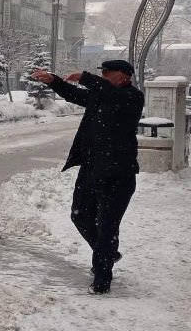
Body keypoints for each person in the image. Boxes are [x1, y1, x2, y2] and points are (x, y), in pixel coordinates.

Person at [29, 60, 144, 295]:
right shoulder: (101, 95)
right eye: (102, 73)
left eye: (108, 73)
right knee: (79, 215)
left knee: (107, 226)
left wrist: (86, 77)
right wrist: (55, 82)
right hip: (92, 169)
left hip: (117, 174)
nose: (104, 77)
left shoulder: (132, 97)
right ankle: (108, 254)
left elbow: (111, 95)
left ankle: (102, 281)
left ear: (124, 76)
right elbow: (74, 94)